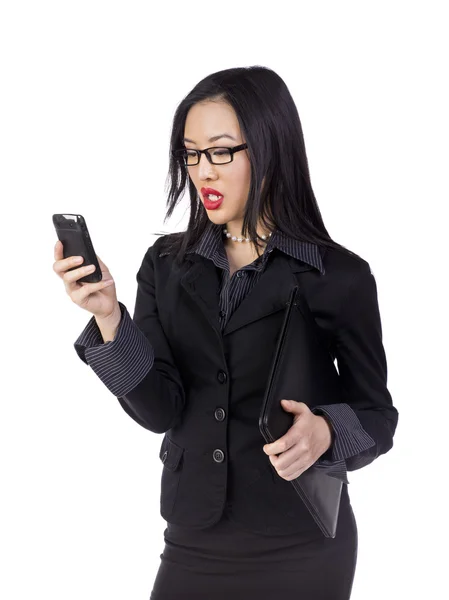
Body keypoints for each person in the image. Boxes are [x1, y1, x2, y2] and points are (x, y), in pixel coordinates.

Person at [53, 66, 398, 600]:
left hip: (302, 544)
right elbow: (159, 411)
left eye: (220, 152)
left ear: (269, 149)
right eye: (190, 154)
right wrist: (108, 319)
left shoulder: (339, 276)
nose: (202, 172)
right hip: (194, 538)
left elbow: (379, 417)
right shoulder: (166, 265)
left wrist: (327, 432)